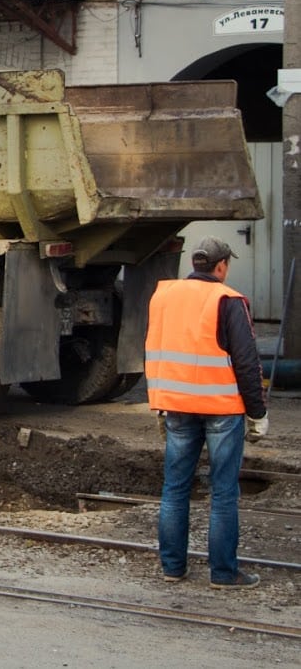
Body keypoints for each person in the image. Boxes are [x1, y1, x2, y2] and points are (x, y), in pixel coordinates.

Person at [145, 236, 269, 589]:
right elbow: (246, 363)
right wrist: (257, 412)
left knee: (174, 489)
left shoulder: (163, 296)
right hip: (221, 409)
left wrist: (160, 404)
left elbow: (154, 345)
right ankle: (224, 573)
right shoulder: (227, 300)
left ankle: (172, 568)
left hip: (177, 407)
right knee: (224, 492)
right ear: (221, 266)